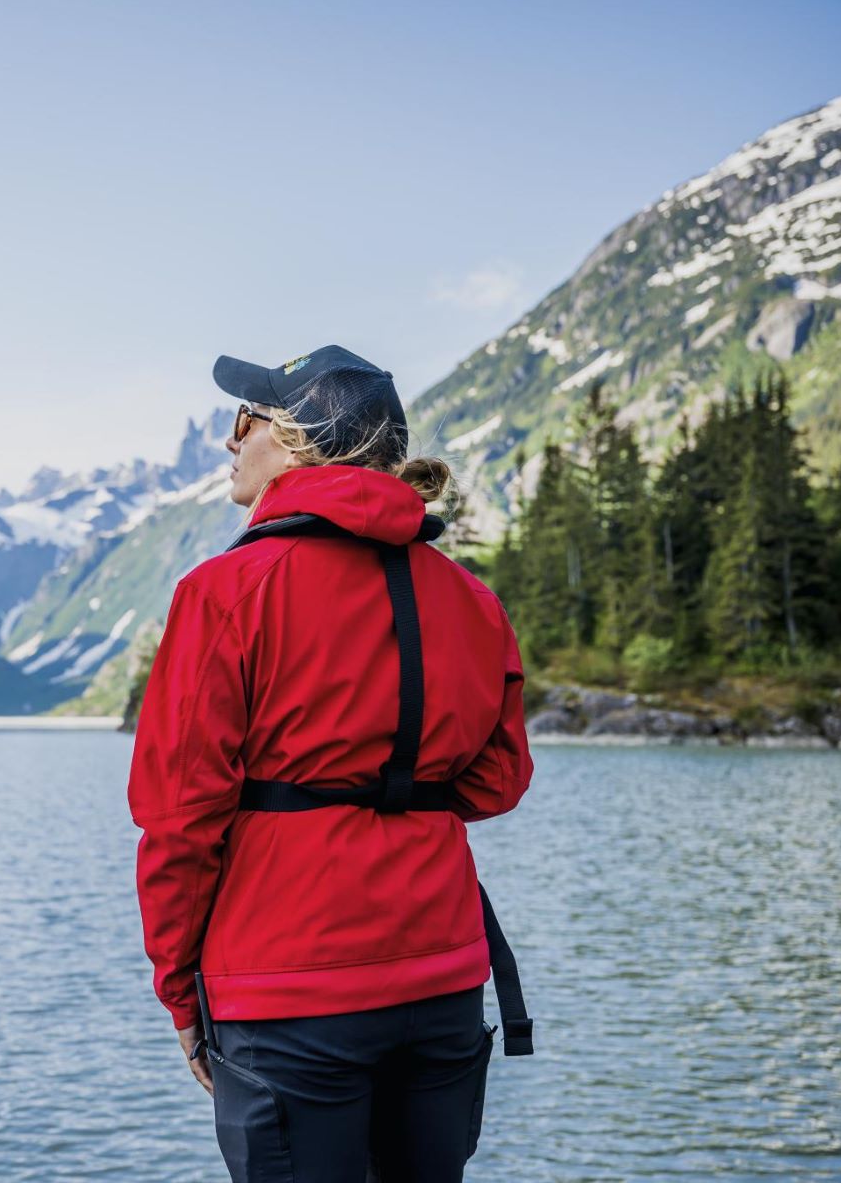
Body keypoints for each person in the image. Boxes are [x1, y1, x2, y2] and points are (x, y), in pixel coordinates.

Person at [126, 345, 534, 1182]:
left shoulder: (225, 592)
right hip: (446, 978)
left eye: (246, 422)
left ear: (298, 440)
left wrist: (178, 990)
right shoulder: (471, 599)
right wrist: (394, 793)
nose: (230, 441)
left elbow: (179, 819)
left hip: (287, 993)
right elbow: (499, 779)